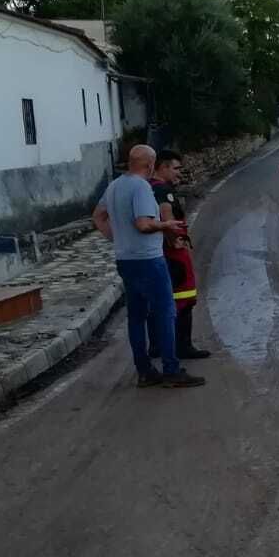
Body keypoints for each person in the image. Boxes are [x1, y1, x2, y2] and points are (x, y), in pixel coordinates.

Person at [92, 145, 205, 389]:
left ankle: (144, 371)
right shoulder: (141, 187)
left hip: (125, 259)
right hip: (148, 259)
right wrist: (166, 226)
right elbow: (143, 224)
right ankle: (171, 370)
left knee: (136, 317)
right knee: (165, 311)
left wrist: (118, 239)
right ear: (151, 165)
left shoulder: (114, 186)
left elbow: (98, 217)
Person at [148, 149, 210, 361]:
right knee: (184, 296)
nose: (179, 174)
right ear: (162, 167)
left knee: (160, 299)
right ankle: (183, 346)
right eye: (175, 168)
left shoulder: (147, 187)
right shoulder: (162, 191)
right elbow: (166, 216)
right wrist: (175, 239)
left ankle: (157, 345)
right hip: (172, 253)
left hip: (156, 253)